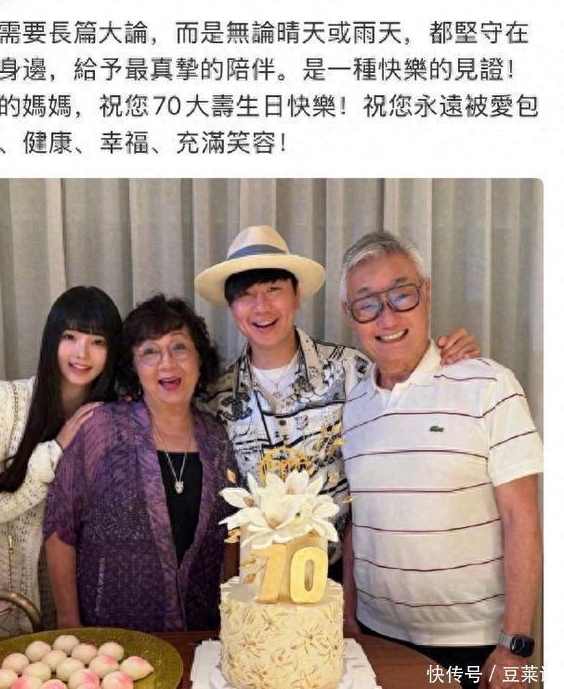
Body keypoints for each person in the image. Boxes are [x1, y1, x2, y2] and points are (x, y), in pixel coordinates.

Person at [194, 224, 479, 595]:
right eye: (246, 295)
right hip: (259, 583)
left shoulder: (352, 371)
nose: (261, 307)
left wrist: (449, 356)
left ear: (297, 297)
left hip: (347, 579)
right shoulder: (215, 399)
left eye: (273, 290)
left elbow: (408, 419)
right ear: (232, 309)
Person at [339, 231, 543, 689]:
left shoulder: (489, 386)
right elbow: (360, 518)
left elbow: (523, 519)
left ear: (426, 293)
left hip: (475, 644)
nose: (387, 316)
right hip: (376, 636)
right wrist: (350, 611)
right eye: (367, 303)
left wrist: (515, 643)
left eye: (401, 295)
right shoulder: (354, 405)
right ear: (350, 315)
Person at [44, 295, 237, 631]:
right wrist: (68, 621)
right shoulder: (101, 428)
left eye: (179, 347)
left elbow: (231, 535)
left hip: (200, 634)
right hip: (111, 637)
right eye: (150, 351)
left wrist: (234, 617)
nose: (167, 363)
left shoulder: (218, 438)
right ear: (133, 366)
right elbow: (61, 528)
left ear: (199, 359)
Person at [0, 286, 122, 635]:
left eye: (97, 341)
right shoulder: (2, 400)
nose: (82, 353)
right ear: (52, 339)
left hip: (83, 600)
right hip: (10, 601)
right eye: (70, 337)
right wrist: (57, 448)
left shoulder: (113, 417)